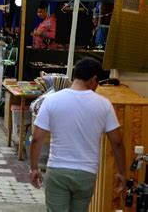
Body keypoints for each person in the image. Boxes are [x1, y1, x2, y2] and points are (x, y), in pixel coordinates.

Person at [30, 57, 126, 212]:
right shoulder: (104, 104)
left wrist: (34, 168)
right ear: (94, 79)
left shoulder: (51, 100)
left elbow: (36, 139)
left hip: (58, 170)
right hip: (86, 173)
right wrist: (122, 172)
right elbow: (117, 142)